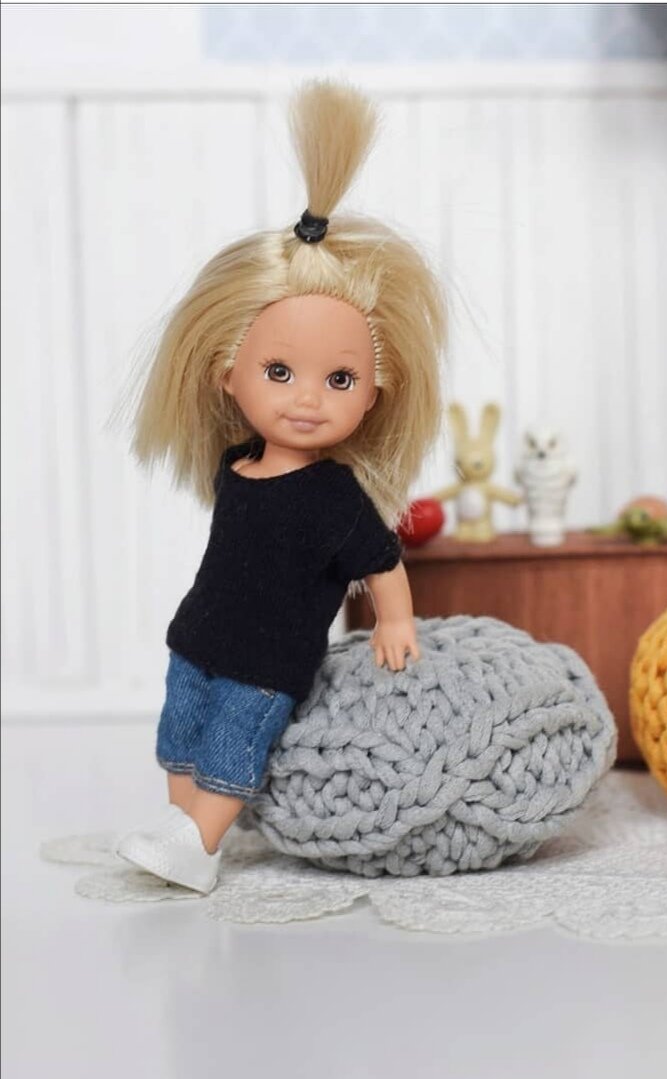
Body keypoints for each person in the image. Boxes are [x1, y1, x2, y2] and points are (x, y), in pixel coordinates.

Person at [110, 80, 446, 895]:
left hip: (269, 659)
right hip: (200, 632)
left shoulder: (333, 496)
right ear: (228, 375)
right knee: (181, 733)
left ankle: (200, 845)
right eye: (280, 372)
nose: (307, 399)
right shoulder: (236, 465)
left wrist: (395, 619)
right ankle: (184, 831)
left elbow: (382, 560)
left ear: (374, 394)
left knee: (234, 744)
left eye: (339, 379)